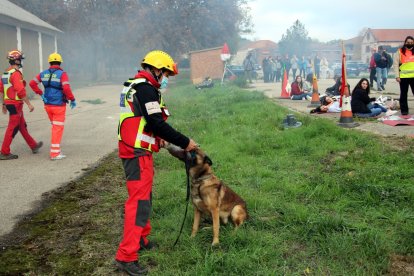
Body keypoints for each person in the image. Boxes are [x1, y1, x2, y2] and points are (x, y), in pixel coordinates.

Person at [115, 50, 198, 275]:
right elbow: (155, 122)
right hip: (136, 153)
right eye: (165, 74)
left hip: (138, 150)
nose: (165, 79)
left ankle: (141, 239)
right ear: (156, 69)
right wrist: (185, 142)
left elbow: (144, 122)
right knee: (138, 203)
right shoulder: (145, 88)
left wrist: (159, 140)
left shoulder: (137, 86)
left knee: (145, 198)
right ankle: (126, 256)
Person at [29, 52, 76, 160]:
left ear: (50, 62)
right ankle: (55, 153)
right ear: (60, 62)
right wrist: (72, 99)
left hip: (47, 105)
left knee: (55, 127)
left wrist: (40, 94)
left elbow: (32, 83)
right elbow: (66, 88)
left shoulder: (43, 73)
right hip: (58, 105)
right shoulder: (62, 74)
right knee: (57, 128)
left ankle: (56, 150)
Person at [0, 50, 43, 160]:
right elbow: (20, 90)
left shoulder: (5, 73)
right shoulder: (15, 73)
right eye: (20, 59)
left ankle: (33, 145)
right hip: (15, 104)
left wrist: (4, 104)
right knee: (12, 127)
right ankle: (4, 152)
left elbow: (2, 89)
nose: (21, 61)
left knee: (22, 126)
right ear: (16, 60)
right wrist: (29, 104)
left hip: (10, 103)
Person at [394, 36, 414, 116]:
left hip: (413, 77)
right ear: (405, 42)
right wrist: (397, 76)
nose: (410, 44)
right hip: (403, 77)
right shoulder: (399, 52)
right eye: (408, 42)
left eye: (411, 42)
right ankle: (404, 111)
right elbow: (395, 65)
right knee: (403, 94)